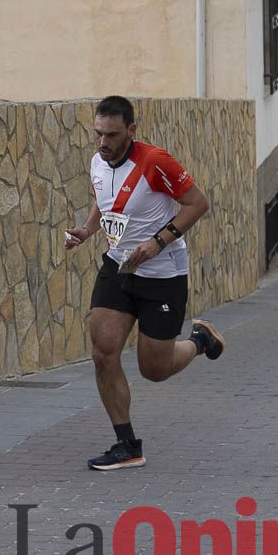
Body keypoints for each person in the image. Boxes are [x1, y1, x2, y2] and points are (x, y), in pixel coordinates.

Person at [65, 96, 225, 471]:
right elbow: (104, 202)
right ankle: (127, 444)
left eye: (112, 134)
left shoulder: (155, 162)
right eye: (98, 133)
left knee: (154, 369)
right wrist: (87, 230)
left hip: (162, 274)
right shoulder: (97, 162)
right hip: (118, 269)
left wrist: (157, 242)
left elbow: (197, 204)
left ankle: (201, 340)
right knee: (103, 352)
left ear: (131, 131)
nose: (103, 143)